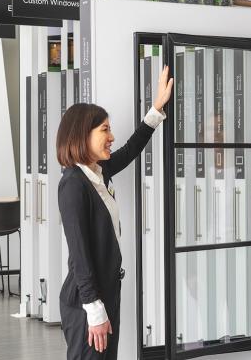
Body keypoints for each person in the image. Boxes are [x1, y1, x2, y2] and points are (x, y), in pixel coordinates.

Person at [56, 67, 173, 360]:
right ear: (82, 135)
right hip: (88, 301)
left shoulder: (98, 172)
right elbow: (79, 252)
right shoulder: (73, 184)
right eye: (105, 129)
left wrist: (156, 109)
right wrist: (94, 308)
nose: (111, 136)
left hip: (107, 293)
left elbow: (130, 149)